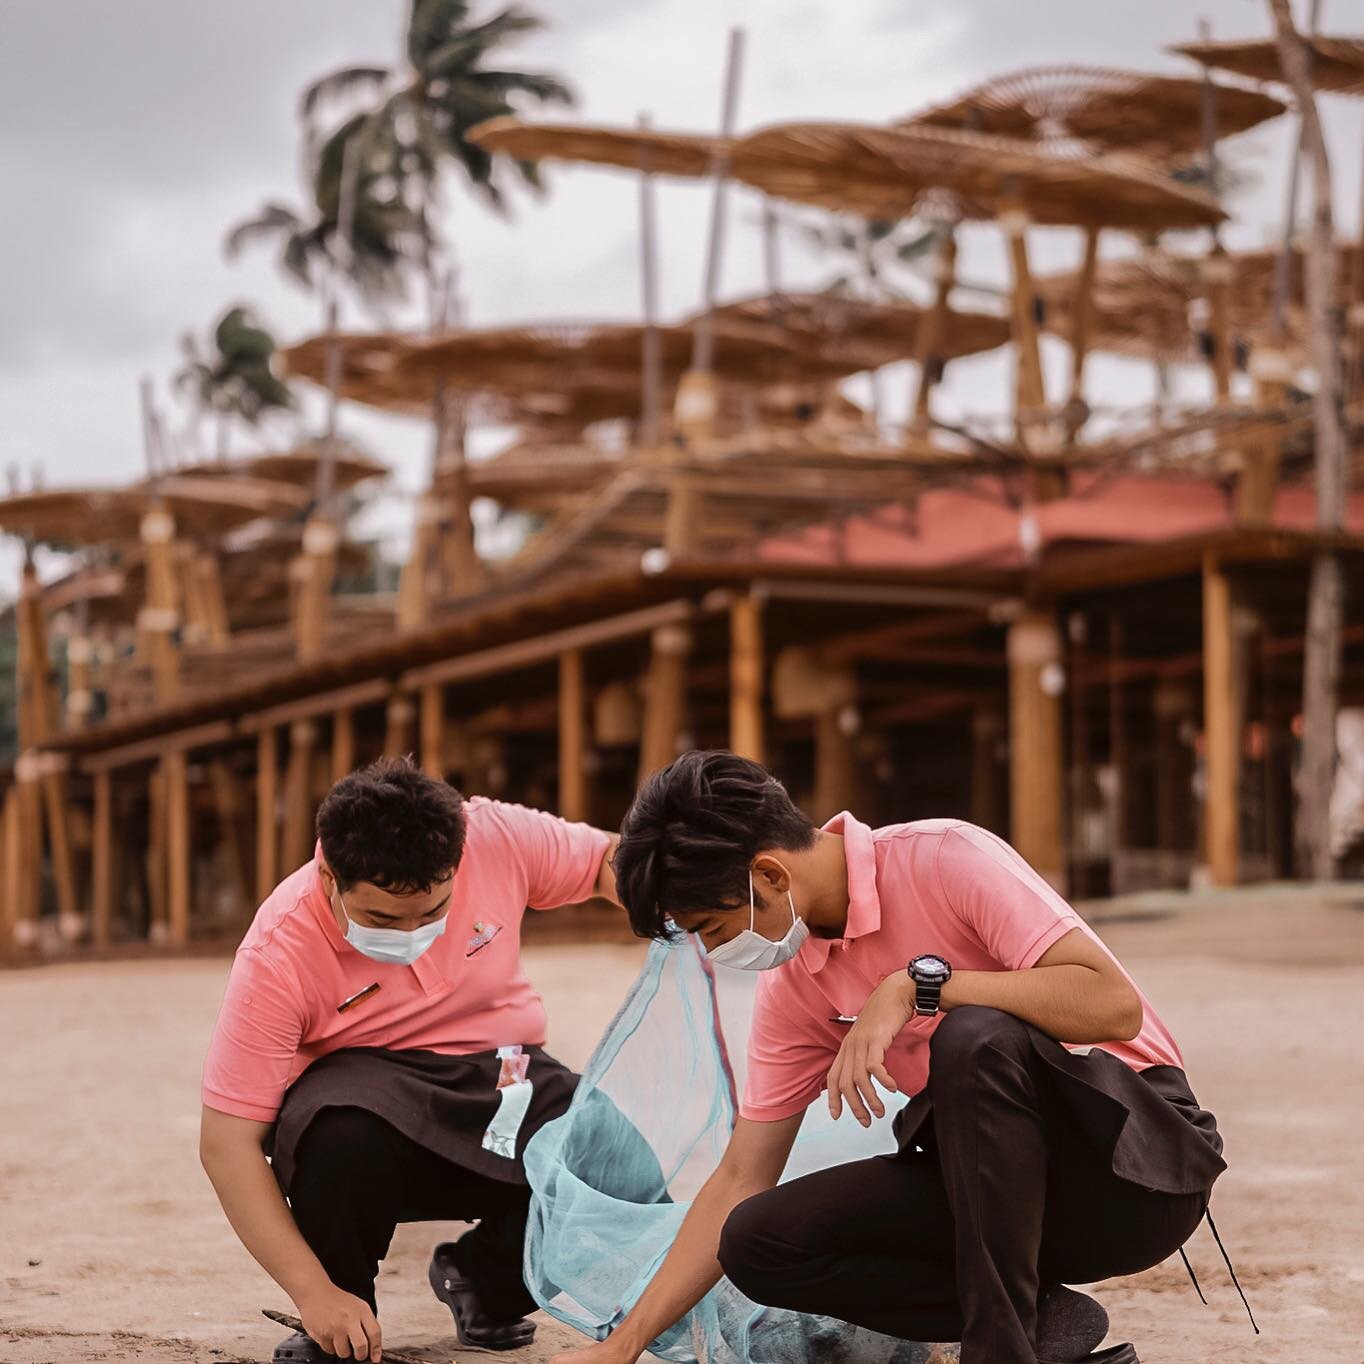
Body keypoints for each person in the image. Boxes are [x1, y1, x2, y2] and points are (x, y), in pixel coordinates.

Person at [550, 750, 1235, 1364]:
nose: (714, 950)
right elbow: (740, 1175)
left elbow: (1113, 1005)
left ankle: (1000, 1353)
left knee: (976, 1039)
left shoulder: (946, 858)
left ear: (768, 873)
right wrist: (622, 1347)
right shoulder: (793, 985)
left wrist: (918, 988)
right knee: (757, 1239)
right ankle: (1039, 1330)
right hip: (994, 1196)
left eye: (713, 927)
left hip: (1133, 1172)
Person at [200, 756, 618, 1364]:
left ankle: (484, 1283)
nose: (411, 932)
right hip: (368, 1115)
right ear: (328, 880)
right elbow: (226, 1144)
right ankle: (342, 1317)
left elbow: (609, 860)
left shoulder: (495, 835)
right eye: (382, 919)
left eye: (433, 911)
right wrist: (312, 1293)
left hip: (504, 1077)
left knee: (608, 1150)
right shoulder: (277, 950)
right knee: (335, 1132)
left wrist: (663, 894)